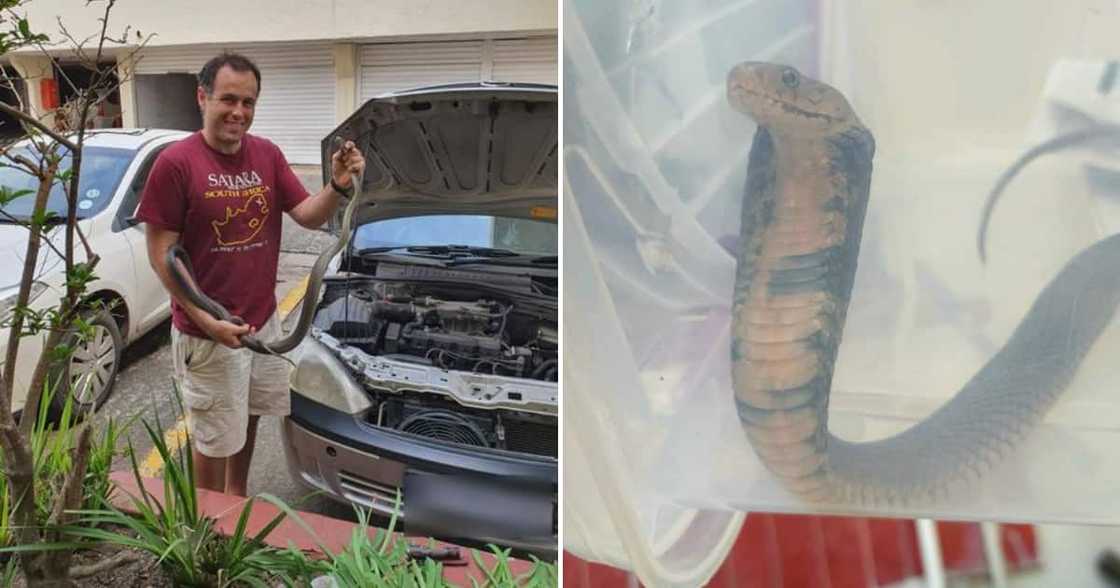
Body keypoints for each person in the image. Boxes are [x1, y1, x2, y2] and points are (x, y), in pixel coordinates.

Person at [136, 52, 365, 496]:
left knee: (249, 417)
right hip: (209, 334)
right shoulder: (176, 163)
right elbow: (162, 254)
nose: (238, 112)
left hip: (262, 322)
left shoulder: (266, 154)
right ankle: (208, 524)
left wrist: (337, 185)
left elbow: (308, 215)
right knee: (215, 437)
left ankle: (236, 501)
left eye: (248, 102)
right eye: (228, 99)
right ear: (202, 97)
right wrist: (208, 322)